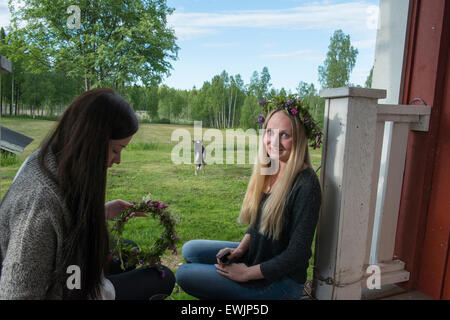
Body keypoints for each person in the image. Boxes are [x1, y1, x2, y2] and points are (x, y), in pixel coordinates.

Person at [0, 88, 175, 300]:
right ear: (92, 143)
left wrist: (101, 212)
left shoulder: (55, 160)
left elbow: (62, 225)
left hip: (71, 276)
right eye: (116, 150)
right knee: (162, 279)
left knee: (130, 249)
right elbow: (17, 293)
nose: (118, 160)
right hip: (69, 288)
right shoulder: (39, 204)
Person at [176, 97, 322, 300]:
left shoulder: (306, 185)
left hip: (280, 283)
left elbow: (296, 254)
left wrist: (246, 274)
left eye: (285, 135)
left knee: (184, 274)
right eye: (270, 132)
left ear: (299, 139)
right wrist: (240, 250)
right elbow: (259, 221)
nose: (274, 141)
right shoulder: (271, 168)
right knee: (190, 250)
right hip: (258, 255)